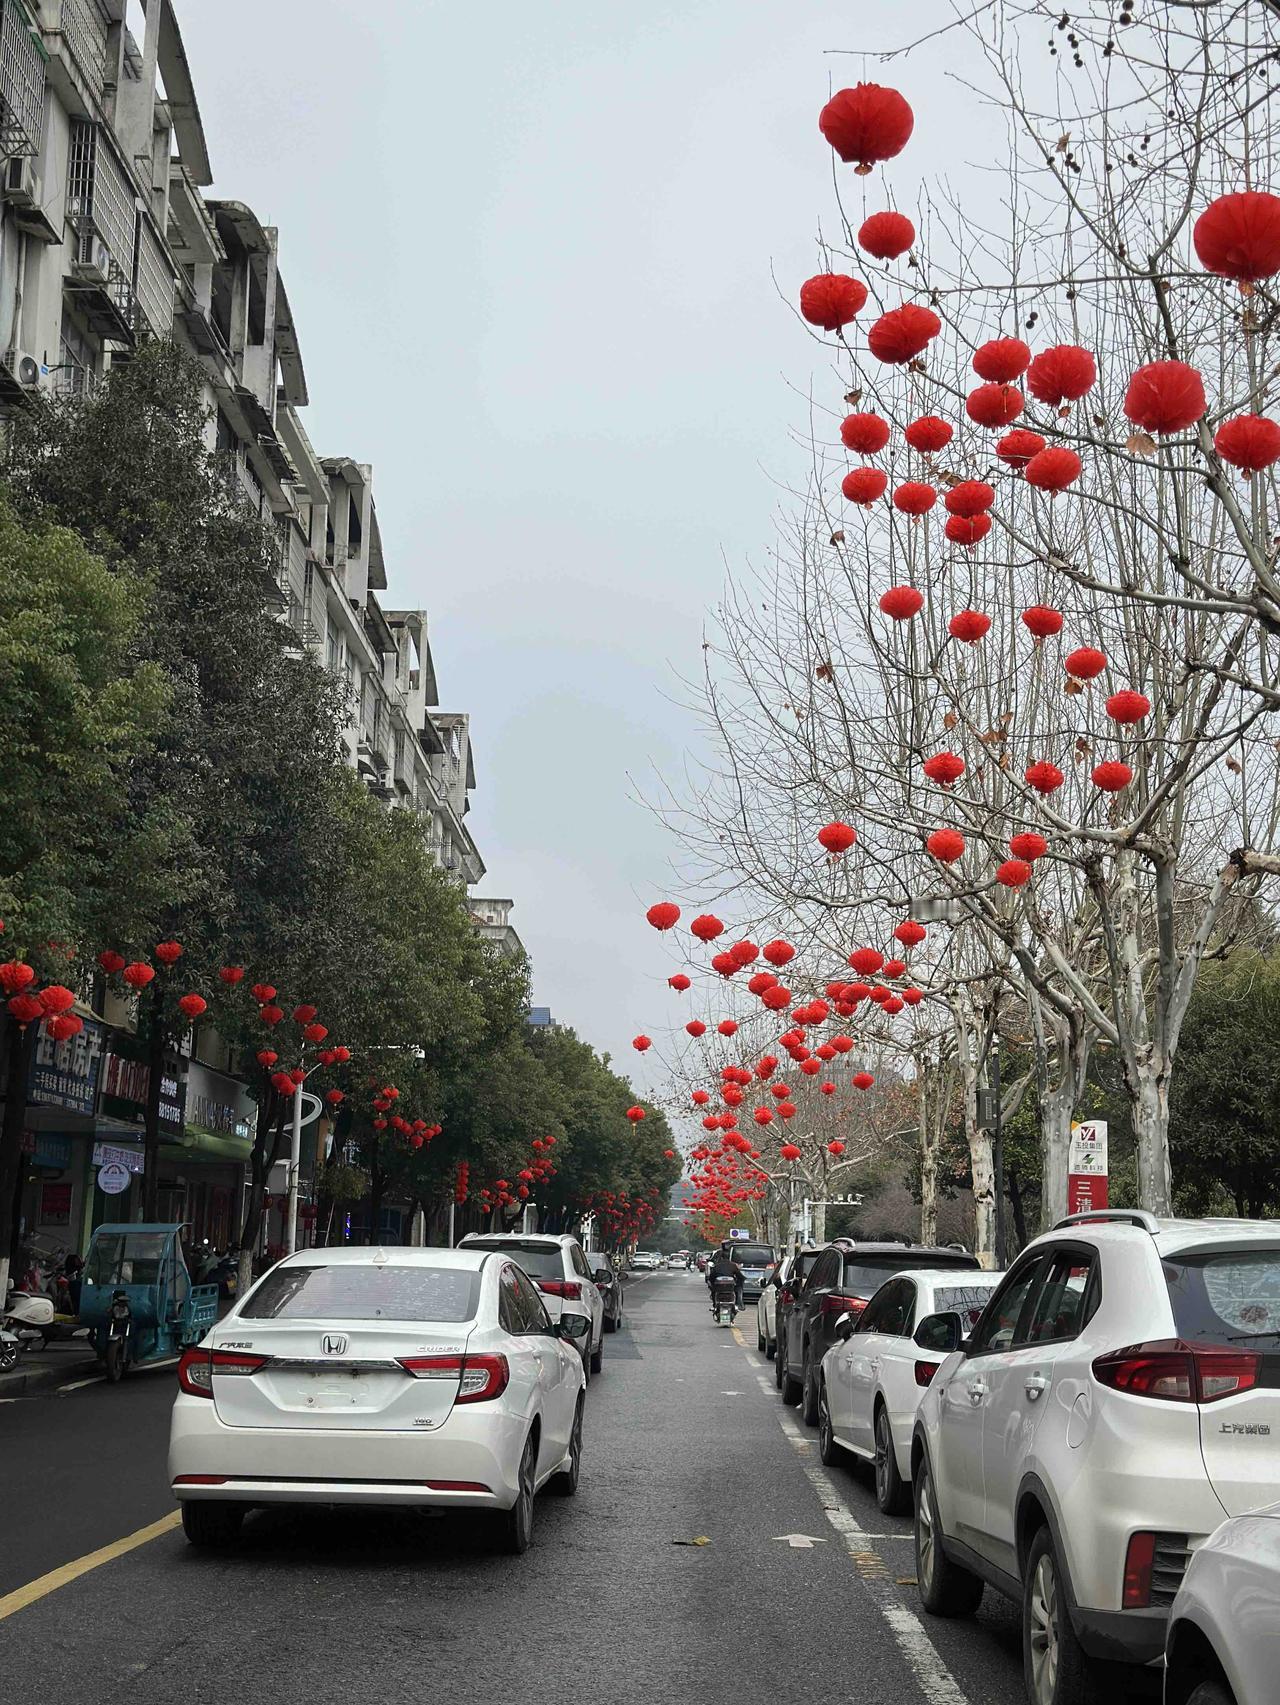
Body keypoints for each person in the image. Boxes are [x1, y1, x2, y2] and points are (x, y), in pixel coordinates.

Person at [706, 1246, 745, 1312]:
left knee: (713, 1291)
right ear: (729, 1257)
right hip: (730, 1288)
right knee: (739, 1289)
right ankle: (739, 1304)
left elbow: (711, 1277)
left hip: (718, 1288)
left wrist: (712, 1285)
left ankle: (714, 1304)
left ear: (721, 1257)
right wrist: (741, 1281)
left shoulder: (717, 1266)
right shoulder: (733, 1265)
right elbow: (740, 1276)